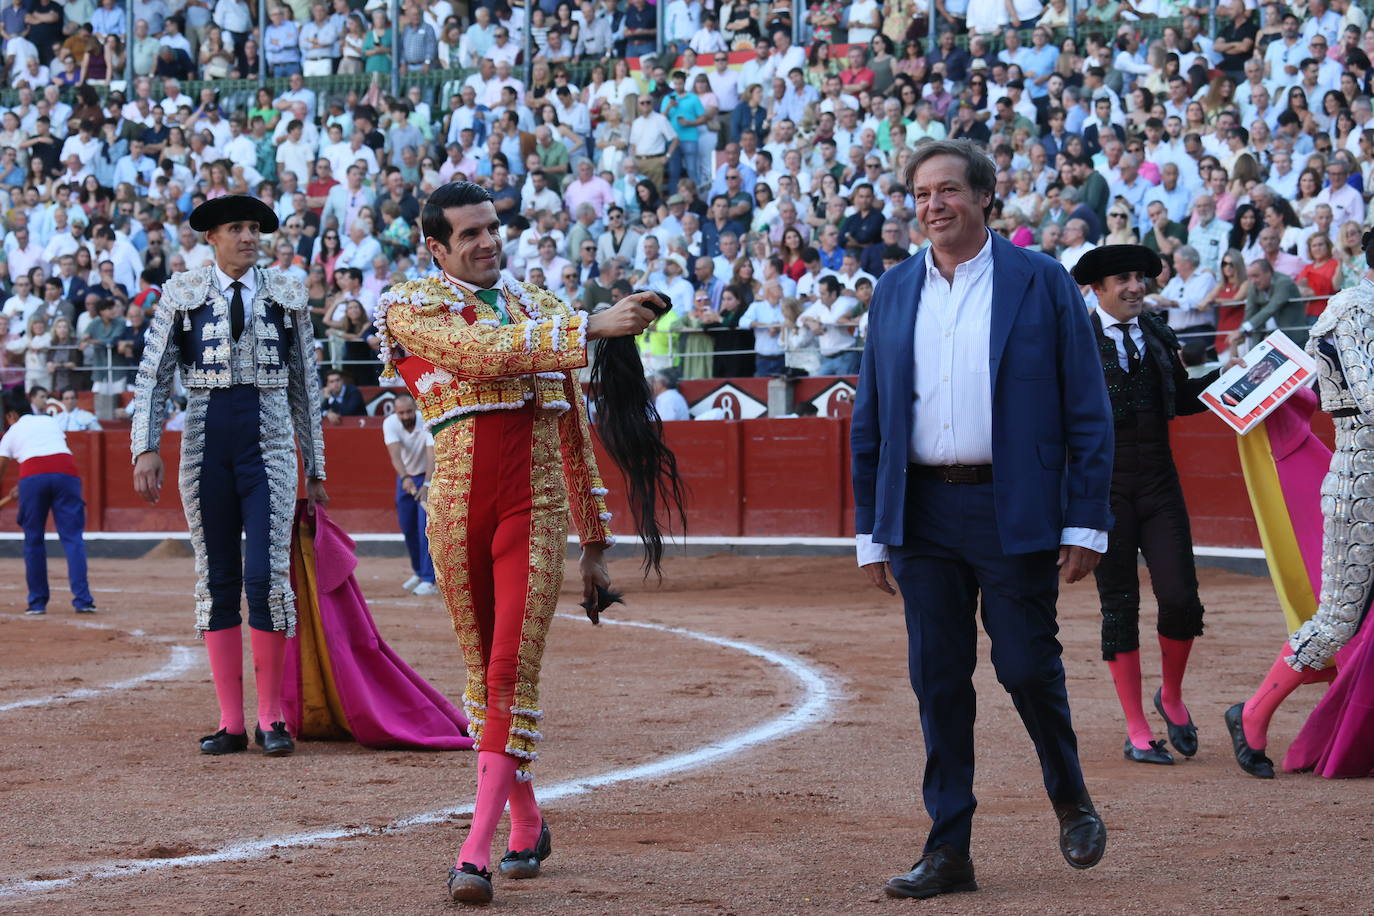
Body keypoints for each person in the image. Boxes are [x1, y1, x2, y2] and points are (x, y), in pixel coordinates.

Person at [373, 181, 667, 905]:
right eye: (468, 234)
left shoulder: (544, 309)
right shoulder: (411, 307)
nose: (486, 241)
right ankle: (527, 819)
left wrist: (595, 541)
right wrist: (590, 327)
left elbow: (570, 431)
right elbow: (478, 355)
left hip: (531, 509)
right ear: (435, 247)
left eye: (491, 228)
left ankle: (474, 852)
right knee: (481, 672)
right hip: (454, 508)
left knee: (509, 672)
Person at [851, 139, 1111, 901]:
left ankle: (1069, 795)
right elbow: (871, 418)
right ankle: (948, 849)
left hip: (1014, 506)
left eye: (949, 191)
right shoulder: (895, 290)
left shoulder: (1043, 282)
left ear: (984, 198)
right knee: (939, 679)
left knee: (1027, 666)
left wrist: (1086, 520)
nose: (935, 205)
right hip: (923, 513)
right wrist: (873, 529)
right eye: (923, 194)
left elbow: (1087, 408)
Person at [129, 195, 328, 759]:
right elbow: (154, 375)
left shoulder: (287, 292)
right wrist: (145, 447)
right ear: (211, 237)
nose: (248, 236)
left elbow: (304, 386)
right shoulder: (182, 292)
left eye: (254, 228)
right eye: (236, 228)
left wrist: (317, 467)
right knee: (216, 578)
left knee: (267, 577)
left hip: (268, 447)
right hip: (204, 444)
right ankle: (230, 721)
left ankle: (271, 718)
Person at [1226, 229, 1374, 779]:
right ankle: (1254, 711)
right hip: (1363, 479)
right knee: (1339, 618)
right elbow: (1369, 396)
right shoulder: (1352, 311)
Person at [1071, 245, 1218, 767]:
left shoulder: (1157, 333)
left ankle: (1171, 696)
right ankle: (1136, 726)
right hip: (1103, 489)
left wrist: (1238, 381)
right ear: (1098, 288)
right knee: (1120, 604)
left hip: (1158, 480)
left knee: (1180, 596)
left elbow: (1179, 399)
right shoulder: (1075, 340)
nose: (1136, 286)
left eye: (1140, 277)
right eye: (1124, 279)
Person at [0, 389, 96, 615]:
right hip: (66, 474)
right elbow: (51, 453)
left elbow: (2, 467)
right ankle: (83, 601)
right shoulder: (49, 422)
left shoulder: (12, 431)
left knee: (33, 540)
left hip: (32, 477)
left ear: (11, 415)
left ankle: (37, 602)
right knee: (73, 539)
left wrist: (26, 484)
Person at [383, 393, 436, 596]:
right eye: (401, 413)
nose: (405, 416)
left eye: (408, 411)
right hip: (405, 478)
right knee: (408, 527)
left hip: (428, 477)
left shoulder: (426, 418)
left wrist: (428, 483)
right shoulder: (390, 423)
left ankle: (429, 578)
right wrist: (404, 478)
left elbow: (431, 453)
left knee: (425, 529)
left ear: (415, 409)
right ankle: (418, 571)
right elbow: (394, 453)